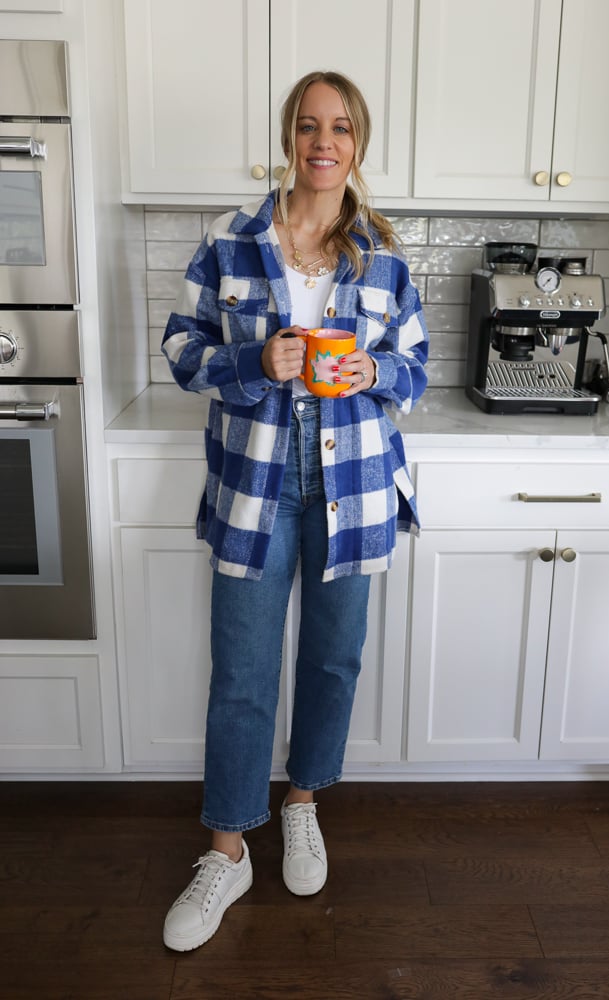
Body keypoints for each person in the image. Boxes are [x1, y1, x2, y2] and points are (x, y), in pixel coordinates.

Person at [160, 70, 429, 952]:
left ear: (358, 143)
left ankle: (303, 801)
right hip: (255, 483)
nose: (324, 141)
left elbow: (416, 370)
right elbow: (179, 349)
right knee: (240, 671)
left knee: (332, 661)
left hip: (350, 488)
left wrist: (374, 373)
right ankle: (229, 847)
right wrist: (253, 365)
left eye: (341, 127)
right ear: (288, 137)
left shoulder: (383, 254)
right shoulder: (231, 243)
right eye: (309, 125)